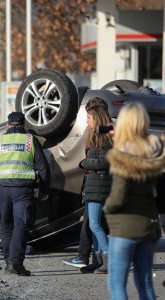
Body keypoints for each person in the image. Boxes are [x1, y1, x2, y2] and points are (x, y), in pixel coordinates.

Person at [104, 102, 165, 299]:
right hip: (149, 226)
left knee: (117, 284)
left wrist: (108, 208)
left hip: (124, 228)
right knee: (145, 282)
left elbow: (118, 197)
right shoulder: (156, 152)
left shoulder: (122, 156)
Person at [0, 112, 50, 276]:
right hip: (23, 190)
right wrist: (44, 190)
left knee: (6, 225)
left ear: (8, 125)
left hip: (1, 189)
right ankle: (15, 262)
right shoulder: (30, 140)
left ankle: (8, 261)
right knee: (21, 225)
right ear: (23, 125)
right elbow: (43, 168)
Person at [63, 97, 110, 273]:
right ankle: (98, 261)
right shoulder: (98, 136)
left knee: (95, 225)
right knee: (94, 224)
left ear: (96, 118)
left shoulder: (104, 138)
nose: (86, 121)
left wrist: (85, 163)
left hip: (99, 187)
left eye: (89, 118)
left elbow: (105, 162)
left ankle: (108, 257)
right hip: (93, 187)